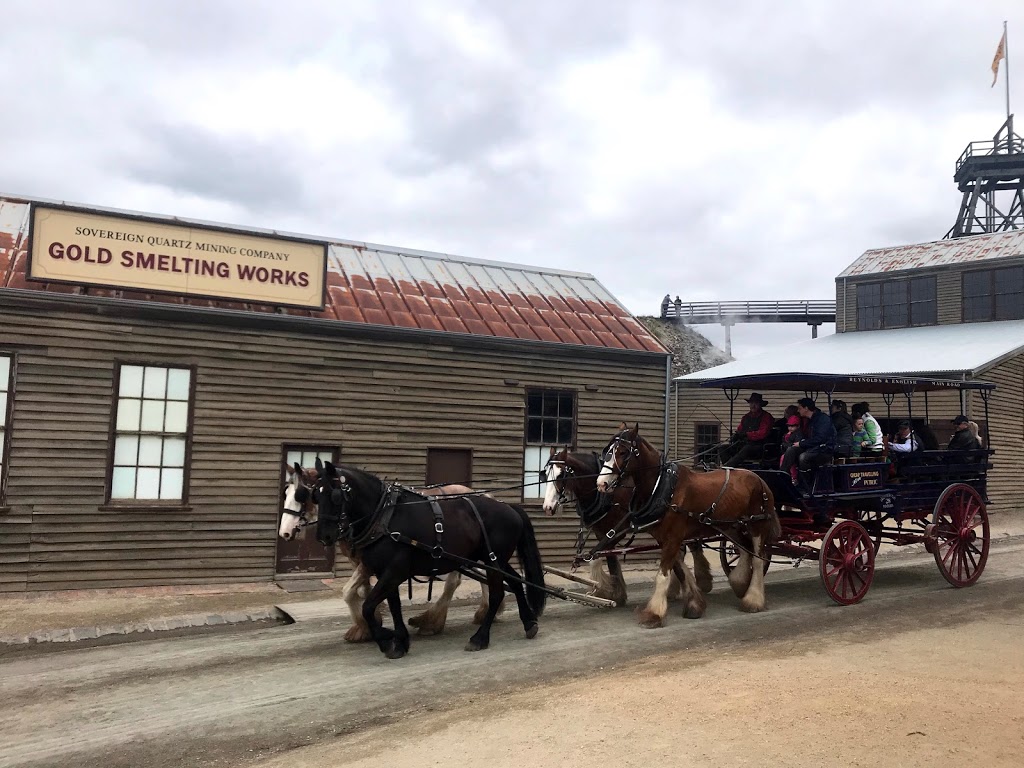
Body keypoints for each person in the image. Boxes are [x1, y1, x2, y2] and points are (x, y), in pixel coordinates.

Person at [780, 397, 837, 489]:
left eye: (800, 408)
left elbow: (820, 438)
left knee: (803, 457)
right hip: (813, 447)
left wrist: (802, 444)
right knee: (791, 450)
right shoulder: (809, 420)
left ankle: (806, 485)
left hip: (824, 449)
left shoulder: (822, 419)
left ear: (806, 408)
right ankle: (783, 477)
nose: (798, 411)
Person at [718, 393, 774, 466]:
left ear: (760, 404)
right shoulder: (745, 417)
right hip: (744, 445)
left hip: (759, 447)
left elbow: (762, 433)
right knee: (723, 448)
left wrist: (747, 435)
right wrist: (736, 435)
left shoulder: (766, 417)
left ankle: (727, 466)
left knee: (747, 449)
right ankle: (731, 467)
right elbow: (739, 429)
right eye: (751, 403)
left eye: (756, 403)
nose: (753, 405)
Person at [780, 414, 803, 482]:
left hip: (794, 453)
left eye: (792, 426)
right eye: (789, 426)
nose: (790, 428)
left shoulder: (798, 434)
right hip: (787, 452)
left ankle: (793, 477)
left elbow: (795, 444)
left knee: (792, 464)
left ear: (798, 426)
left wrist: (787, 444)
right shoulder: (787, 434)